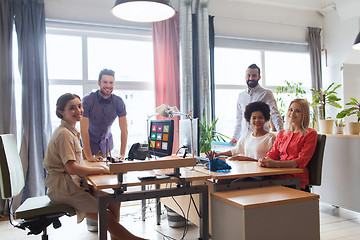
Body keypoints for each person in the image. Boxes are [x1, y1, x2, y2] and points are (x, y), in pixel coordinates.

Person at [43, 93, 146, 240]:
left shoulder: (71, 132)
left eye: (79, 106)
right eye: (72, 108)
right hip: (64, 191)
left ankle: (117, 238)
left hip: (71, 185)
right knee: (106, 214)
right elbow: (72, 168)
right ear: (61, 112)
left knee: (114, 201)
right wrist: (101, 169)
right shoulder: (64, 134)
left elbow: (74, 165)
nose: (78, 111)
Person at [259, 98, 317, 191]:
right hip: (277, 177)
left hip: (295, 180)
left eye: (297, 111)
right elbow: (273, 153)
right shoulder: (282, 133)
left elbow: (301, 161)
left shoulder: (310, 134)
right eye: (291, 109)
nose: (292, 113)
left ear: (304, 114)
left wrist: (275, 164)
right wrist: (264, 160)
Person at [80, 69, 128, 162]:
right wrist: (89, 156)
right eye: (105, 82)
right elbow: (83, 130)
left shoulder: (118, 102)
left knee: (106, 175)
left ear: (114, 84)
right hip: (87, 149)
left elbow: (124, 129)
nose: (108, 85)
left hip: (106, 148)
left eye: (111, 82)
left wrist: (122, 154)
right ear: (99, 83)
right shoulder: (87, 100)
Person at [230, 63, 283, 145]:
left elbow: (275, 115)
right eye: (248, 75)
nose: (251, 78)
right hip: (244, 140)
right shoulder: (241, 96)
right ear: (245, 76)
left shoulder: (267, 94)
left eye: (254, 75)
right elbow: (239, 119)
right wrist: (235, 137)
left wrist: (281, 134)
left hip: (261, 140)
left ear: (259, 77)